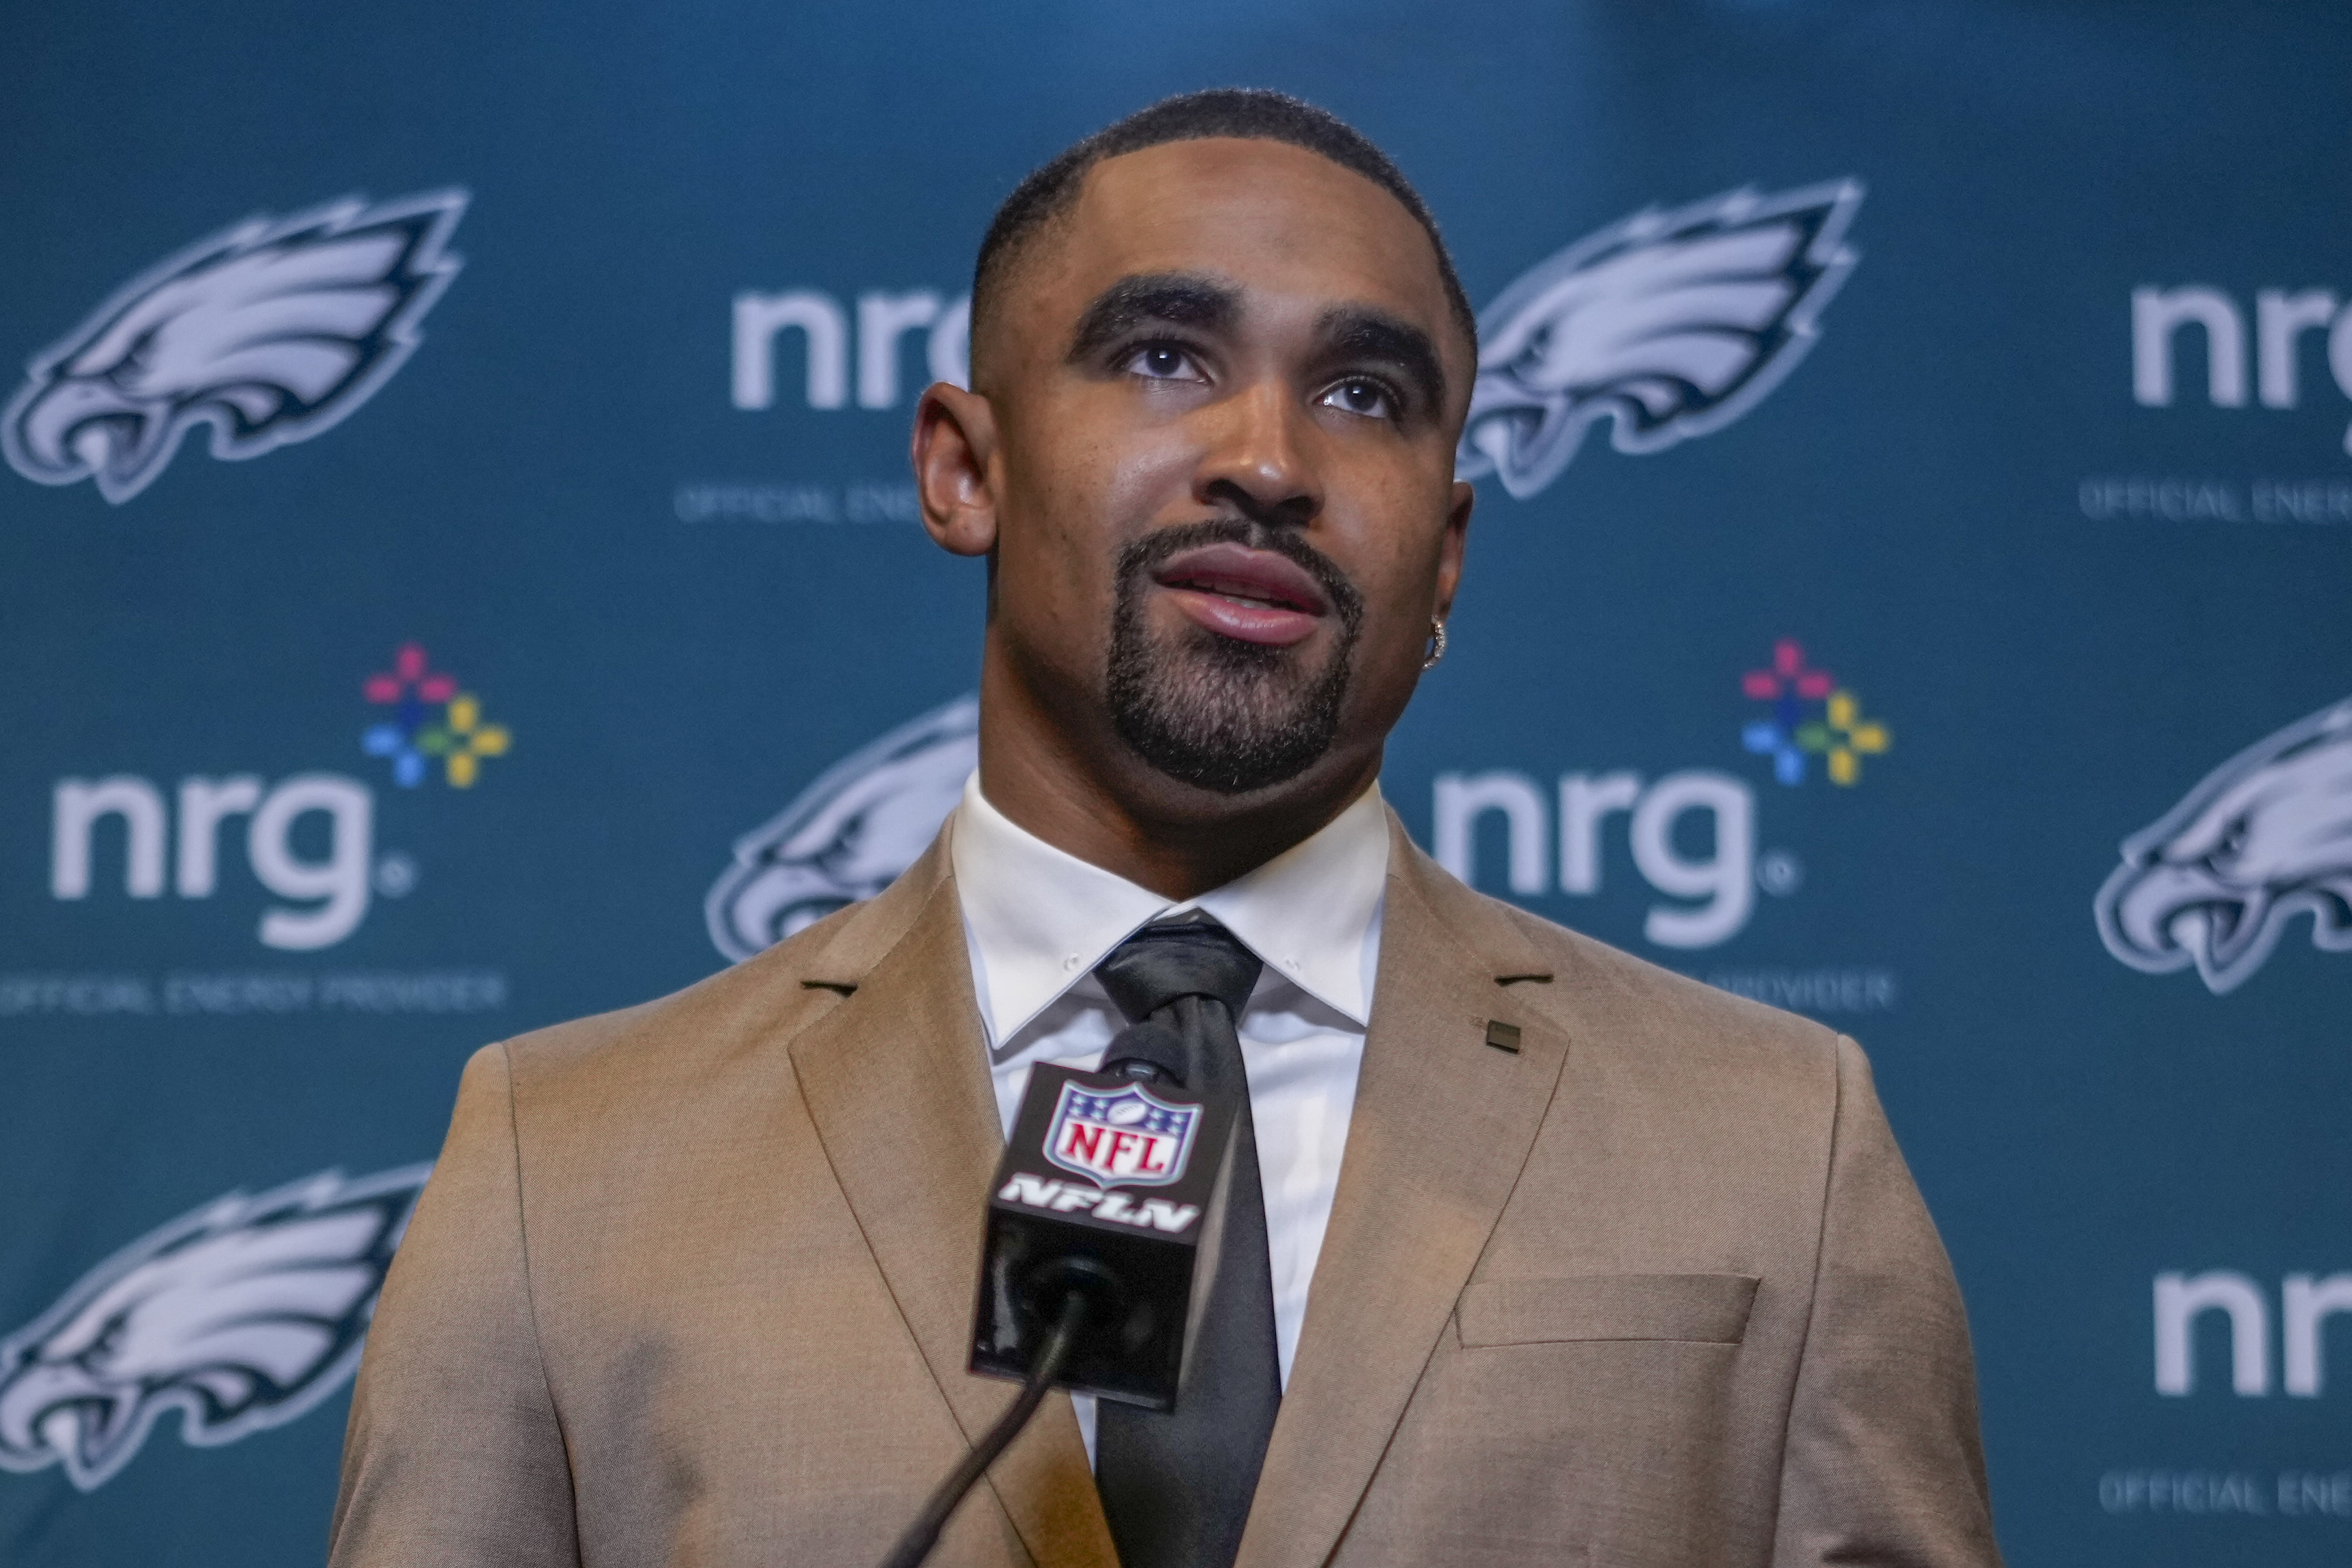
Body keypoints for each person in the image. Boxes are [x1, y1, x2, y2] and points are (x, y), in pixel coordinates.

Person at [329, 89, 2001, 1568]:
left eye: (1363, 393)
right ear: (961, 469)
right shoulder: (565, 1166)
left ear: (1448, 553)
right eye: (1161, 358)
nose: (1267, 458)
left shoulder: (1779, 1144)